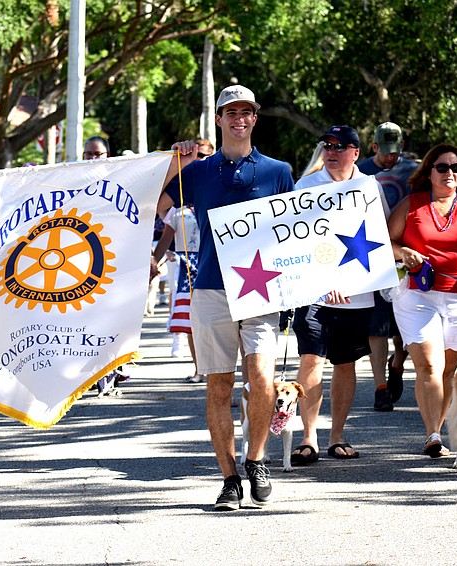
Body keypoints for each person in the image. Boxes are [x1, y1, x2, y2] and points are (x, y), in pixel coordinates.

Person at [157, 85, 295, 510]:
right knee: (219, 386)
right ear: (218, 119)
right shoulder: (197, 171)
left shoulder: (278, 171)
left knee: (260, 380)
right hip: (212, 289)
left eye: (246, 112)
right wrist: (176, 162)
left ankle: (256, 460)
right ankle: (229, 479)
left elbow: (296, 231)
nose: (239, 119)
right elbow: (156, 206)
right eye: (230, 112)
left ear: (255, 118)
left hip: (262, 290)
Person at [387, 144, 457, 457]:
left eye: (455, 167)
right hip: (417, 295)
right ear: (429, 171)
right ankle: (433, 434)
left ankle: (439, 428)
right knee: (429, 365)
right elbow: (385, 240)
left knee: (449, 370)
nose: (449, 173)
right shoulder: (412, 205)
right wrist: (403, 253)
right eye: (442, 167)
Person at [288, 126, 389, 466]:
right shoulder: (305, 186)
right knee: (311, 360)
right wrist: (322, 278)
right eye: (327, 146)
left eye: (340, 146)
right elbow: (292, 242)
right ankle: (308, 438)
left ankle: (337, 437)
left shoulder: (370, 188)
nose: (331, 152)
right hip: (313, 293)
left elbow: (379, 237)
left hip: (356, 295)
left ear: (356, 152)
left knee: (345, 365)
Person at [358, 122, 419, 405]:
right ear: (374, 147)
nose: (390, 157)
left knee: (404, 328)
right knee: (377, 326)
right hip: (370, 255)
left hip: (406, 253)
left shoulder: (413, 171)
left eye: (395, 152)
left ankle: (397, 363)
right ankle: (381, 388)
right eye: (385, 152)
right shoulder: (359, 171)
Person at [152, 139, 214, 381]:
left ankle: (222, 375)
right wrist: (152, 263)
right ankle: (199, 369)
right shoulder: (178, 209)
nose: (200, 160)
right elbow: (167, 237)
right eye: (197, 156)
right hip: (187, 267)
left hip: (213, 264)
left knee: (217, 324)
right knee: (192, 321)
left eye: (206, 155)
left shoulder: (215, 198)